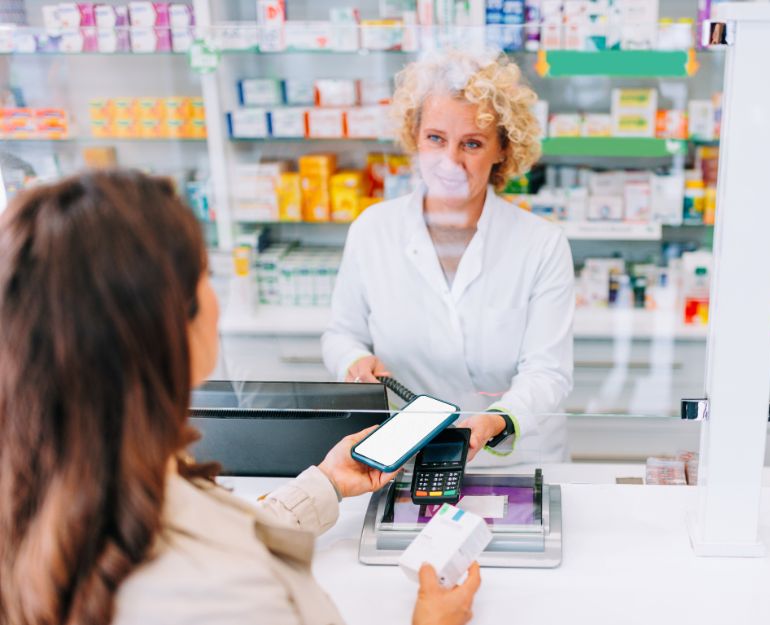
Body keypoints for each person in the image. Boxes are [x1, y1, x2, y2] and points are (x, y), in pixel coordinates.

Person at [0, 170, 480, 625]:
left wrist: (325, 484)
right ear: (168, 327)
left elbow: (186, 527)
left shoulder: (54, 489)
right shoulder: (230, 593)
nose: (218, 296)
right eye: (206, 277)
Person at [322, 50, 575, 466]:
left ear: (502, 150)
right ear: (414, 136)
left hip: (516, 459)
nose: (450, 162)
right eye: (436, 138)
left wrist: (495, 421)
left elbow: (547, 371)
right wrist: (356, 361)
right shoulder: (374, 229)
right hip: (406, 452)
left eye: (471, 143)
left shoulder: (541, 244)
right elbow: (340, 334)